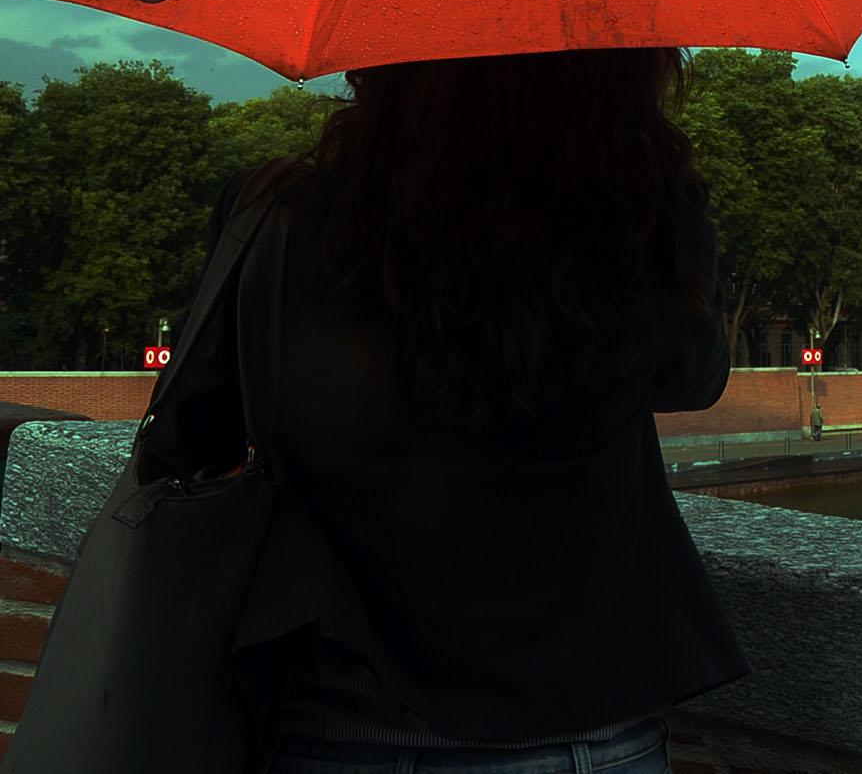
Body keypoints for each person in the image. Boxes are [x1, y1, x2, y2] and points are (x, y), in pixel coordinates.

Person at [142, 49, 745, 773]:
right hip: (584, 729)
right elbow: (694, 376)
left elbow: (186, 441)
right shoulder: (631, 220)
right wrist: (664, 194)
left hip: (337, 717)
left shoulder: (284, 220)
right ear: (617, 69)